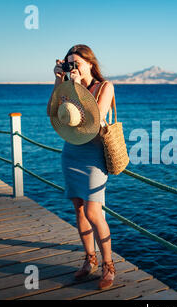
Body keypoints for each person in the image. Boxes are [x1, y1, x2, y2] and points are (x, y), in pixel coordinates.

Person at [47, 44, 116, 290]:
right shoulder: (66, 85)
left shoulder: (105, 87)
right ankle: (90, 260)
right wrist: (59, 81)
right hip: (71, 152)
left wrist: (76, 86)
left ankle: (108, 265)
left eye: (76, 62)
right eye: (69, 63)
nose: (73, 67)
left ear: (89, 63)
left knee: (94, 212)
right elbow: (53, 111)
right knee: (78, 210)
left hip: (93, 155)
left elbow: (95, 118)